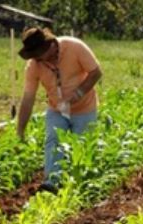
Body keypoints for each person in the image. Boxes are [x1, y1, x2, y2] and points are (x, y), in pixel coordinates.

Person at [16, 27, 102, 192]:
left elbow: (96, 72)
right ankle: (53, 183)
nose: (41, 60)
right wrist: (20, 130)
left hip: (84, 108)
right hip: (56, 109)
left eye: (43, 55)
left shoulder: (75, 47)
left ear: (51, 45)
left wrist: (78, 94)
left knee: (82, 146)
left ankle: (82, 186)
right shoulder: (34, 65)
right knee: (53, 140)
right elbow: (28, 99)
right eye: (37, 57)